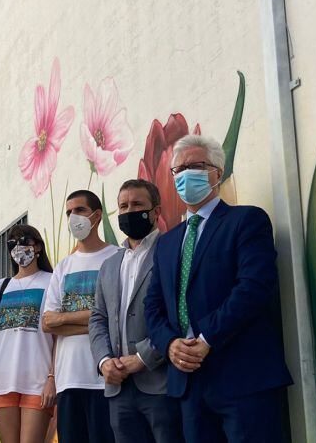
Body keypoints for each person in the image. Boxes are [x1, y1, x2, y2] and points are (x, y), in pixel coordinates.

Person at [143, 134, 292, 442]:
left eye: (195, 165)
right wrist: (170, 344)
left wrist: (207, 337)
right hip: (188, 383)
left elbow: (254, 287)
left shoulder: (246, 221)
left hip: (243, 376)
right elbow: (153, 307)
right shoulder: (168, 243)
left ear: (217, 173)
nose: (185, 175)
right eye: (178, 170)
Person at [89, 179, 183, 441]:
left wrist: (142, 358)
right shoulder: (109, 264)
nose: (129, 210)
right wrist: (104, 360)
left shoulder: (172, 250)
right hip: (118, 386)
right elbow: (98, 317)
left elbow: (178, 312)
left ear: (156, 211)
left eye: (137, 204)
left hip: (159, 381)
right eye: (123, 206)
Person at [42, 190, 118, 443]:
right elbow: (48, 322)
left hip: (104, 377)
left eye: (79, 210)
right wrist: (98, 319)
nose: (73, 217)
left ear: (96, 216)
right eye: (68, 212)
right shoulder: (64, 266)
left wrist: (65, 318)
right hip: (68, 378)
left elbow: (117, 316)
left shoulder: (117, 257)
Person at [0, 225, 56, 443]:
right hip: (1, 379)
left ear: (37, 246)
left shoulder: (52, 281)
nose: (18, 248)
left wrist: (53, 378)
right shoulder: (0, 287)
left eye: (24, 241)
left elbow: (58, 335)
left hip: (38, 380)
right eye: (12, 244)